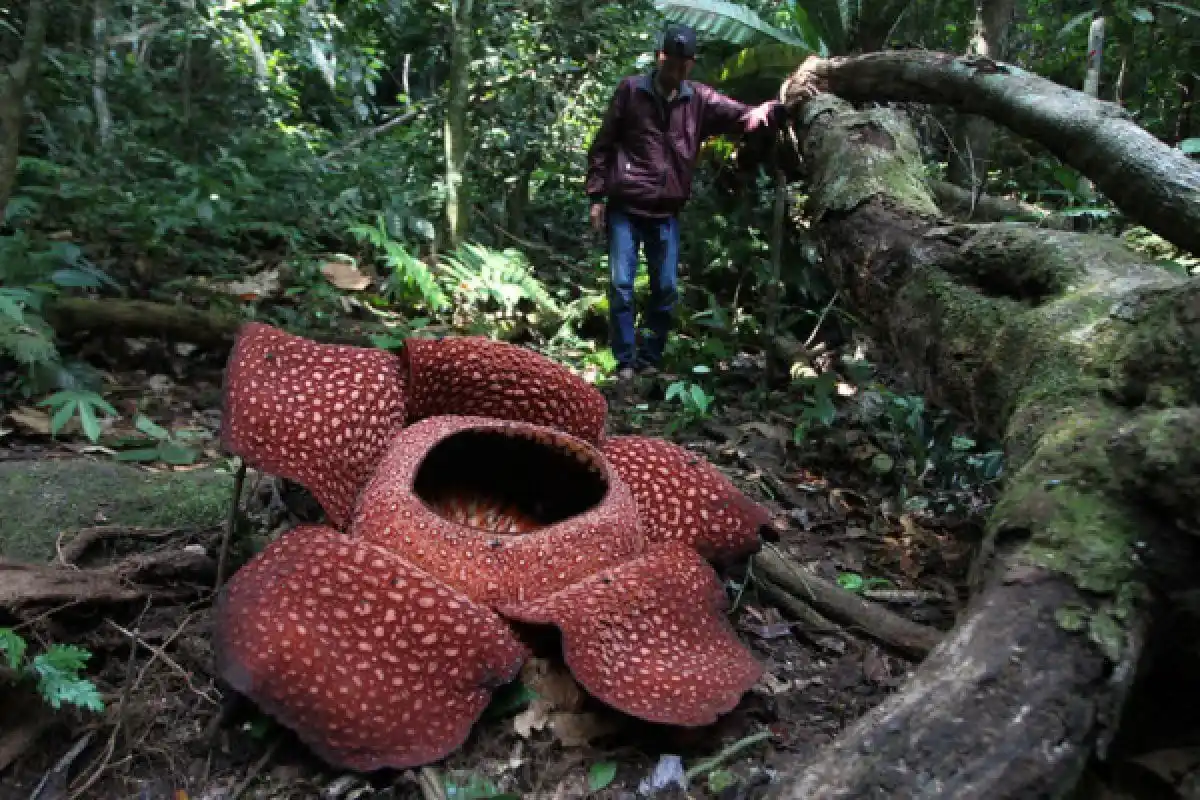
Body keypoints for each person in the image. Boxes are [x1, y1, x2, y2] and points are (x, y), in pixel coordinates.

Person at [586, 22, 788, 380]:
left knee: (664, 288)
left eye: (683, 64)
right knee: (621, 286)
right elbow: (603, 145)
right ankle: (625, 361)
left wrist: (771, 110)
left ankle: (649, 358)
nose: (675, 70)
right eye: (670, 62)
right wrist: (597, 196)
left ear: (690, 65)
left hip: (666, 211)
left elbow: (742, 116)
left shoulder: (699, 99)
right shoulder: (631, 91)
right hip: (627, 206)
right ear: (659, 57)